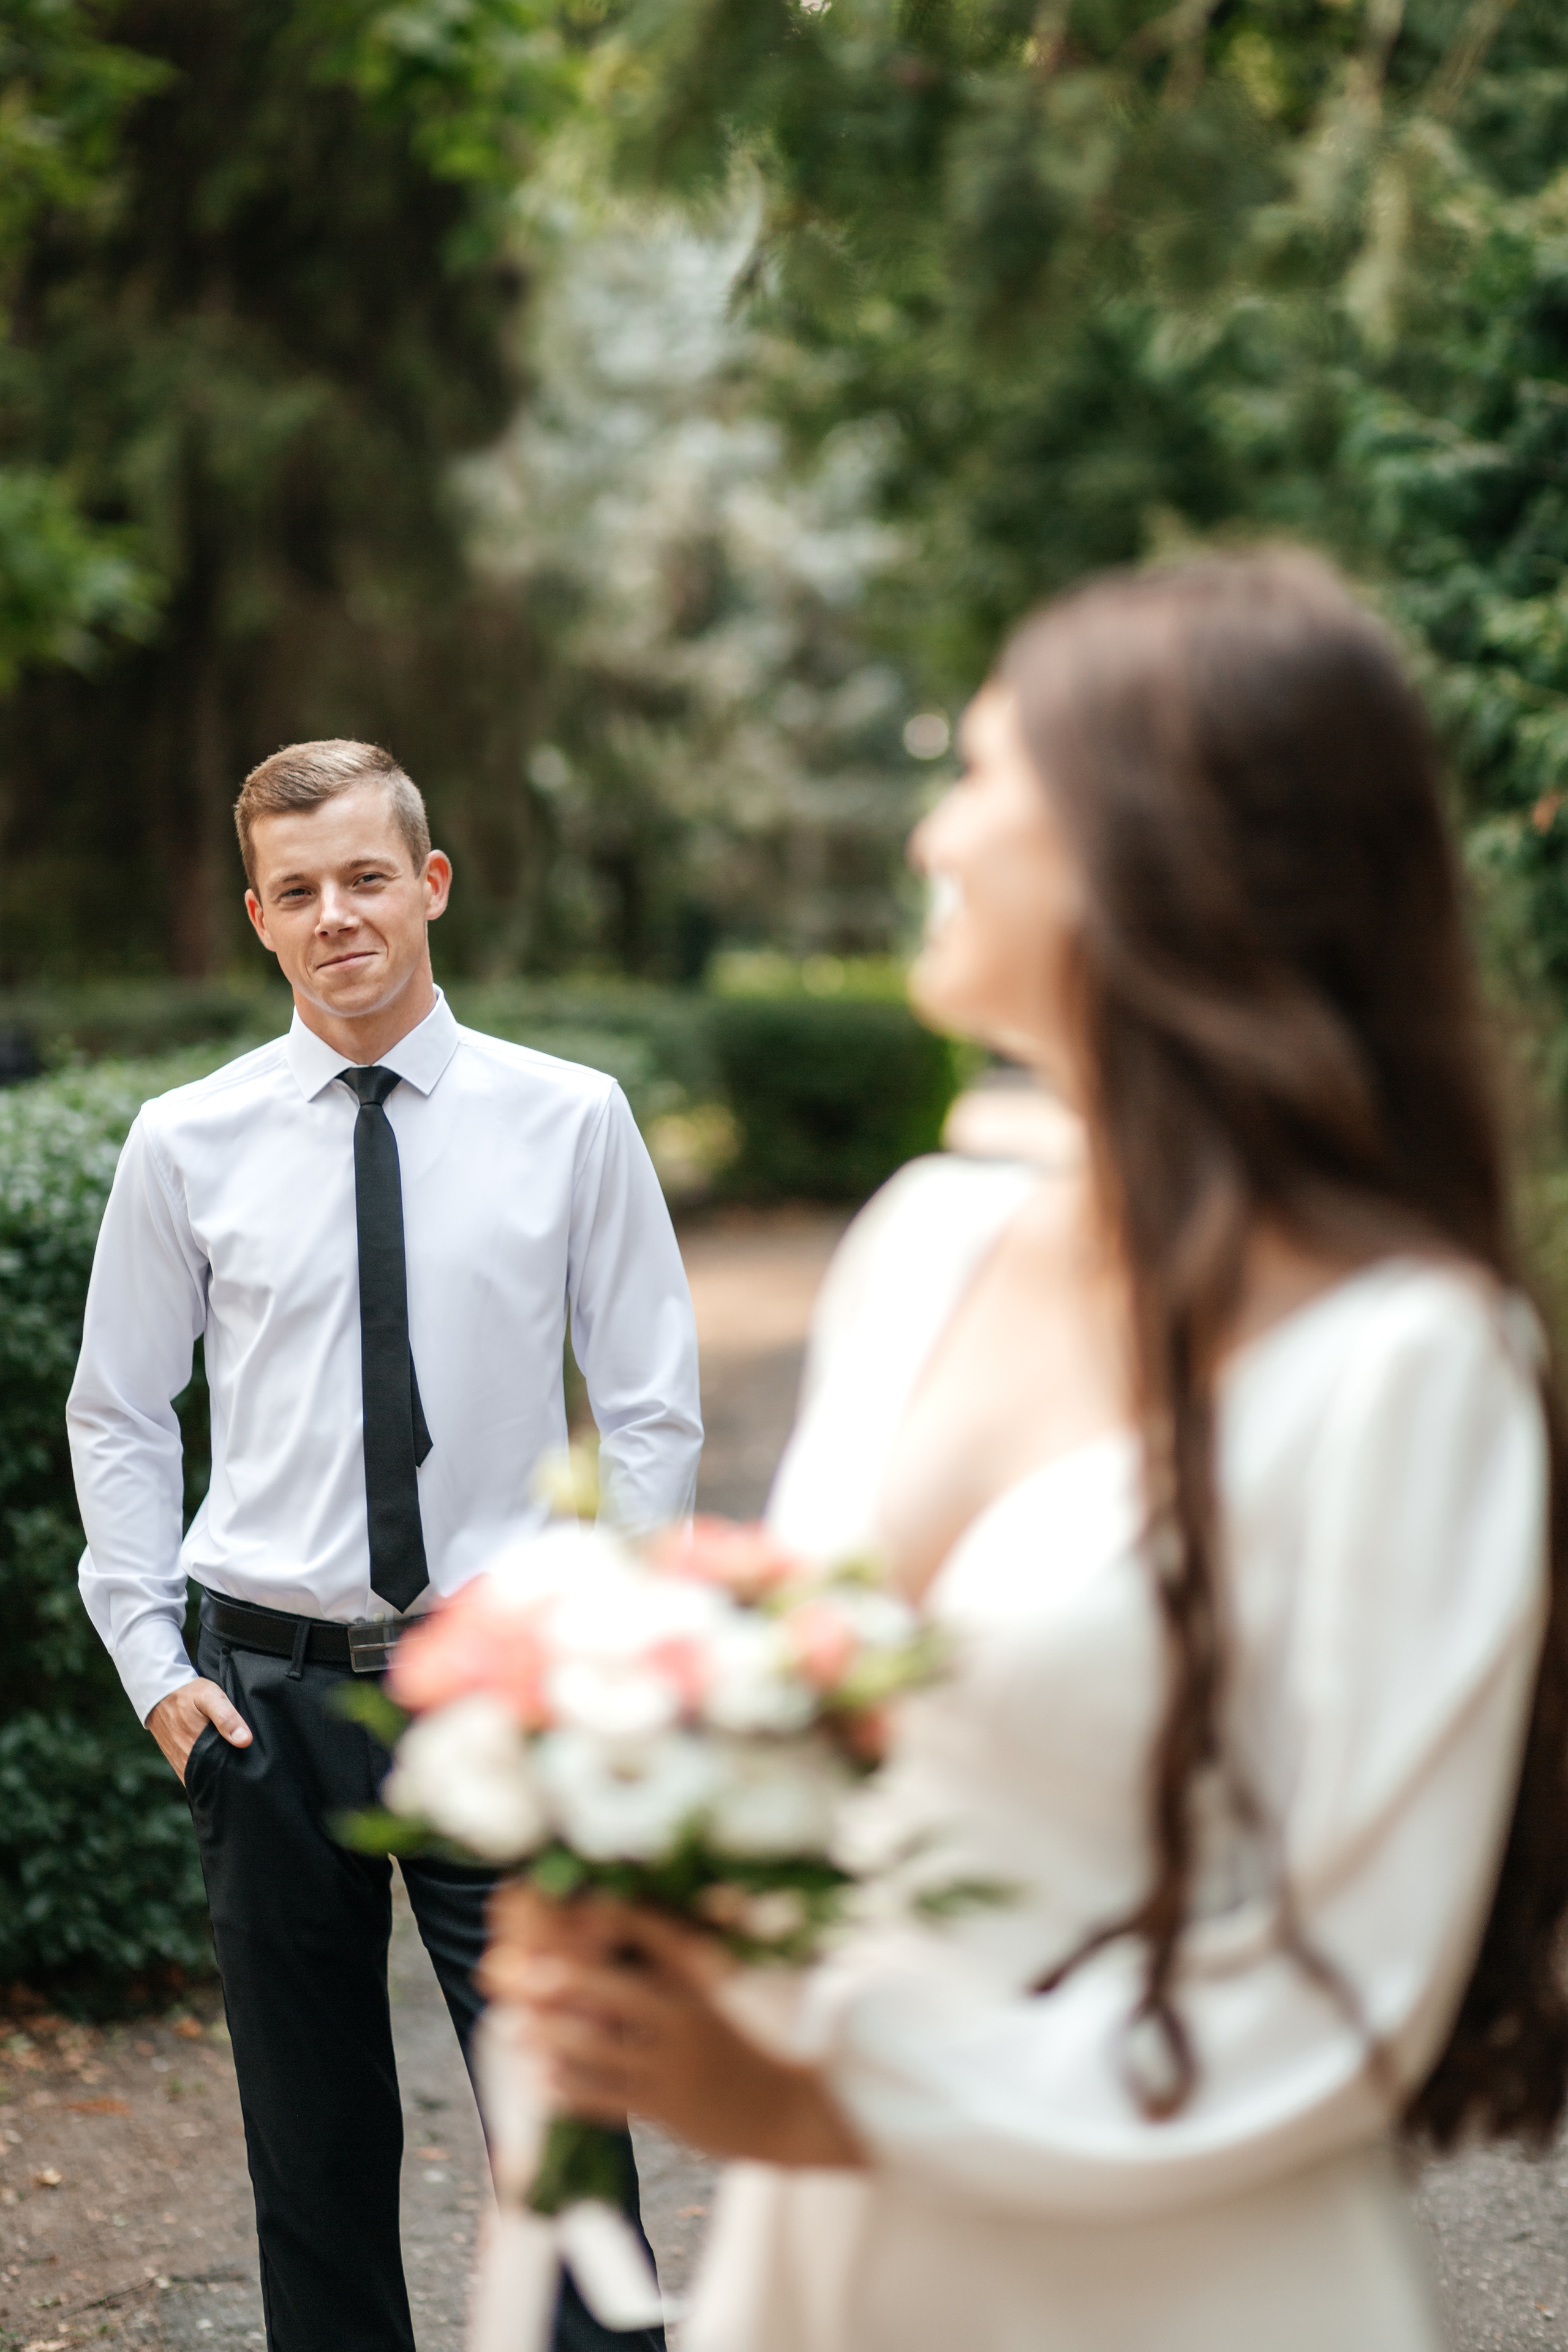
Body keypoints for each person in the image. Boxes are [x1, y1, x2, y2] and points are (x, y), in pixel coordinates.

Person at [484, 551, 1568, 2352]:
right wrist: (649, 1898)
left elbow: (1341, 1994)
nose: (936, 838)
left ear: (1157, 846)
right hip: (830, 2270)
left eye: (984, 772)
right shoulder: (922, 1244)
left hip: (1177, 2283)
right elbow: (828, 1743)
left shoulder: (1413, 1360)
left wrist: (830, 2103)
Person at [67, 738, 701, 2352]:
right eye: (298, 891)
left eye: (364, 877)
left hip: (500, 1687)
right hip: (264, 1701)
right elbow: (122, 1413)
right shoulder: (184, 1144)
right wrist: (152, 1667)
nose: (335, 913)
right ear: (262, 920)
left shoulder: (570, 1121)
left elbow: (648, 1414)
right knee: (314, 2156)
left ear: (429, 884)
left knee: (562, 2134)